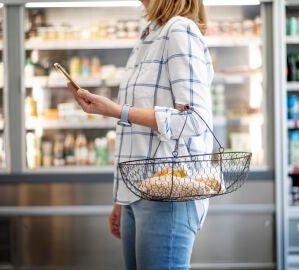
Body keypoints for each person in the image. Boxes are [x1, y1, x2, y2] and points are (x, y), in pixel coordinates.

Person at [67, 0, 214, 269]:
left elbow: (196, 119)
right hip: (137, 192)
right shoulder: (149, 35)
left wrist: (117, 111)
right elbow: (134, 136)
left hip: (169, 192)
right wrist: (121, 198)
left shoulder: (180, 31)